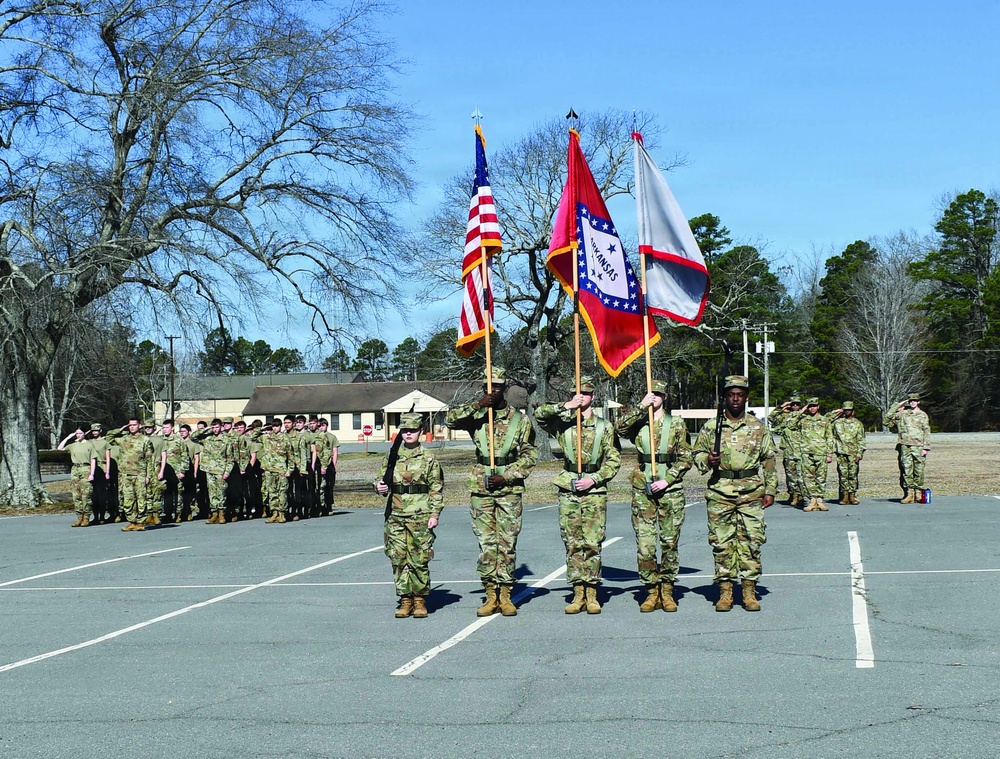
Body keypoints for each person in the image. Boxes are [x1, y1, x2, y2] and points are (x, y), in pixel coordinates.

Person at [446, 367, 537, 617]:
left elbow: (530, 455)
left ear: (505, 389)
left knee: (506, 543)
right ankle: (490, 594)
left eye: (497, 387)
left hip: (508, 488)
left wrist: (506, 475)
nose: (492, 392)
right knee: (487, 543)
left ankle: (506, 594)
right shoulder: (476, 416)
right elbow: (449, 419)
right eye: (488, 387)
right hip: (482, 488)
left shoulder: (520, 420)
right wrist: (477, 404)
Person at [536, 376, 621, 615]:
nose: (581, 396)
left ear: (593, 396)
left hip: (594, 488)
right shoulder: (563, 423)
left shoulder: (605, 426)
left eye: (585, 393)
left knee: (592, 542)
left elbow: (614, 460)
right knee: (572, 543)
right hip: (569, 487)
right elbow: (540, 416)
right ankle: (577, 592)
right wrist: (565, 406)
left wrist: (594, 479)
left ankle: (592, 593)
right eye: (577, 393)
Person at [693, 376, 776, 612]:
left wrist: (770, 489)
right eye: (731, 394)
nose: (736, 398)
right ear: (725, 398)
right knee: (722, 543)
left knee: (752, 541)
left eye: (740, 394)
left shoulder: (758, 427)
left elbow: (769, 459)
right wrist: (707, 460)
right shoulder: (712, 427)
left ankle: (749, 591)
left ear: (746, 397)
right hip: (721, 490)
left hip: (751, 491)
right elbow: (696, 454)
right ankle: (726, 591)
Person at [614, 380, 693, 613]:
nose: (654, 397)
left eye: (658, 394)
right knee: (646, 545)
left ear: (665, 397)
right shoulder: (638, 423)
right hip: (643, 487)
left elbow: (686, 457)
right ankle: (650, 590)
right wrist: (640, 407)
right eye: (650, 394)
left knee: (669, 542)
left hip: (670, 487)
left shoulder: (676, 424)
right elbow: (620, 428)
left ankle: (667, 590)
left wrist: (669, 479)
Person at [375, 412, 444, 619]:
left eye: (413, 430)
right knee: (397, 558)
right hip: (395, 514)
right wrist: (378, 486)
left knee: (419, 558)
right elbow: (381, 479)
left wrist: (435, 514)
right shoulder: (392, 455)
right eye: (405, 430)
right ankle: (405, 599)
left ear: (420, 432)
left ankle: (420, 600)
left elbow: (436, 488)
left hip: (420, 514)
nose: (408, 434)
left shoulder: (428, 458)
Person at [784, 397, 834, 512]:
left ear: (818, 406)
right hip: (806, 453)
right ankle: (812, 500)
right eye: (810, 406)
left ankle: (820, 500)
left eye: (814, 406)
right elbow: (790, 425)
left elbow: (829, 437)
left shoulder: (824, 420)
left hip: (821, 452)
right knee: (808, 478)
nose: (812, 408)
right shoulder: (803, 420)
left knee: (821, 477)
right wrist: (800, 412)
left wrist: (829, 454)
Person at [106, 418, 155, 532]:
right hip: (126, 474)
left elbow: (149, 460)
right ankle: (132, 521)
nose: (132, 427)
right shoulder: (124, 439)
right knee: (128, 499)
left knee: (141, 498)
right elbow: (109, 437)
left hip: (140, 474)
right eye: (130, 425)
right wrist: (121, 429)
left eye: (134, 425)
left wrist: (148, 476)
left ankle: (140, 522)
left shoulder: (145, 440)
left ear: (140, 426)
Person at [884, 393, 931, 503]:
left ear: (918, 402)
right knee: (907, 470)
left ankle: (918, 493)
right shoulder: (903, 414)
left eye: (915, 400)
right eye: (911, 401)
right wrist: (897, 405)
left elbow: (926, 431)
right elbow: (887, 419)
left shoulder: (923, 415)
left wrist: (926, 447)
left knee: (919, 471)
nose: (913, 402)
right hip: (905, 446)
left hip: (919, 446)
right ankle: (909, 493)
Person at [767, 396, 804, 506]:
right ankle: (793, 495)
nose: (795, 406)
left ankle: (801, 495)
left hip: (800, 449)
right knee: (790, 473)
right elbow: (770, 418)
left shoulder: (804, 417)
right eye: (793, 404)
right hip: (788, 448)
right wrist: (781, 407)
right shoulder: (784, 416)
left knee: (800, 474)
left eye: (797, 404)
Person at [58, 428, 97, 527]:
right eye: (76, 433)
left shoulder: (89, 445)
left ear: (85, 434)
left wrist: (92, 474)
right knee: (76, 495)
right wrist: (68, 437)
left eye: (80, 433)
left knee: (86, 495)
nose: (78, 435)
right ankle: (79, 517)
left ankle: (86, 518)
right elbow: (59, 448)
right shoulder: (73, 445)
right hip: (75, 469)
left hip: (85, 469)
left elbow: (93, 460)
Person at [830, 402, 866, 504]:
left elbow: (861, 440)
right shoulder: (837, 423)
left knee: (853, 475)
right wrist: (835, 413)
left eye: (849, 410)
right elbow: (825, 420)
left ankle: (852, 495)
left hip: (853, 453)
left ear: (853, 411)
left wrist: (859, 453)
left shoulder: (858, 424)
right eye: (845, 410)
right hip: (841, 452)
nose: (847, 412)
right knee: (843, 474)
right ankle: (845, 495)